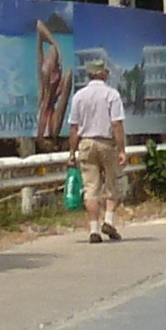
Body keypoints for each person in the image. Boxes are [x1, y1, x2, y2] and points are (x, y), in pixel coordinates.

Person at [64, 54, 131, 241]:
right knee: (113, 184)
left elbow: (74, 128)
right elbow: (117, 124)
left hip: (86, 143)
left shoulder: (79, 96)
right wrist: (122, 150)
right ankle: (108, 221)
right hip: (107, 143)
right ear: (104, 74)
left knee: (90, 187)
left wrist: (72, 152)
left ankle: (93, 230)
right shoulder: (112, 95)